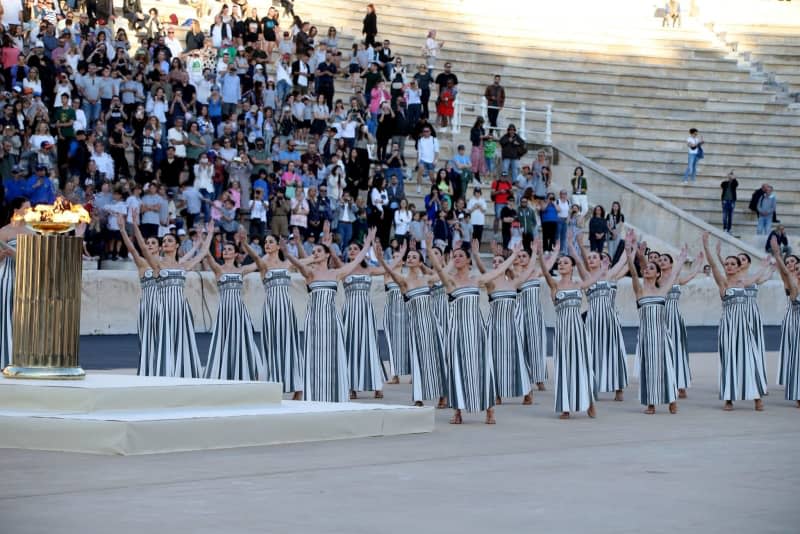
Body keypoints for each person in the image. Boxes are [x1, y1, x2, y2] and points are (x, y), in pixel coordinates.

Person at [428, 238, 519, 425]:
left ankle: (489, 410)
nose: (457, 258)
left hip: (477, 330)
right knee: (457, 369)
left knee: (483, 368)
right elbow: (437, 273)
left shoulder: (476, 280)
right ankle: (458, 411)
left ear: (469, 260)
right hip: (457, 331)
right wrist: (430, 249)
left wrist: (514, 255)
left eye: (461, 255)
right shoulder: (450, 280)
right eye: (455, 256)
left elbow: (498, 271)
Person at [281, 228, 377, 402]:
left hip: (333, 320)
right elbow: (299, 264)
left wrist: (367, 243)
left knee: (334, 356)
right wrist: (288, 253)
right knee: (314, 356)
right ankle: (313, 394)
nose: (315, 254)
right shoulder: (310, 273)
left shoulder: (336, 273)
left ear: (327, 255)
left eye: (318, 251)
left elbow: (356, 262)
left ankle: (336, 393)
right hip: (315, 320)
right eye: (313, 251)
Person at [132, 220, 215, 377]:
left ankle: (181, 372)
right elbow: (143, 248)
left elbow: (203, 253)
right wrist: (134, 225)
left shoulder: (183, 266)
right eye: (164, 241)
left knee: (181, 341)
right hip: (163, 308)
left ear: (177, 245)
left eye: (170, 241)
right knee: (164, 341)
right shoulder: (157, 264)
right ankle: (163, 372)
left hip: (181, 309)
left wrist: (209, 234)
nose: (166, 243)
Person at [375, 244, 448, 408]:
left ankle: (443, 395)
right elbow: (391, 272)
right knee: (418, 360)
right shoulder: (403, 280)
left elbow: (444, 272)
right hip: (415, 326)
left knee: (437, 359)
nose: (410, 259)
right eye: (408, 257)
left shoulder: (427, 279)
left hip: (432, 323)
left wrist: (430, 250)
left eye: (414, 257)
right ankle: (419, 397)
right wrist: (380, 259)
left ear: (420, 262)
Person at [701, 232, 768, 411]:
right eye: (727, 264)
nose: (729, 266)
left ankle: (757, 397)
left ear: (739, 267)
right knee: (729, 360)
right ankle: (729, 398)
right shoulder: (723, 283)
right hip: (728, 327)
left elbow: (761, 275)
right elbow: (714, 266)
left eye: (733, 264)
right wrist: (707, 247)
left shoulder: (745, 282)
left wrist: (767, 265)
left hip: (744, 326)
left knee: (750, 359)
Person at [537, 241, 601, 419]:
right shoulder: (555, 285)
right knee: (564, 367)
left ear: (572, 266)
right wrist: (541, 256)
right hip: (563, 331)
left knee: (583, 365)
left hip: (578, 330)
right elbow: (544, 271)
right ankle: (566, 407)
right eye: (560, 263)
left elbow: (595, 277)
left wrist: (604, 267)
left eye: (565, 262)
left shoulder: (579, 284)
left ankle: (589, 402)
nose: (561, 264)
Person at [625, 233, 687, 414]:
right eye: (646, 268)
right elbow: (635, 273)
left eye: (651, 269)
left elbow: (674, 274)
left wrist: (681, 260)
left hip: (661, 334)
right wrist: (631, 256)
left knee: (666, 366)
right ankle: (651, 403)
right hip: (646, 335)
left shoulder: (663, 291)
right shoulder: (639, 291)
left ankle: (671, 398)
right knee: (648, 368)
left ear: (658, 273)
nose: (647, 270)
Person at [473, 242, 539, 405]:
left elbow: (529, 271)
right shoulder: (490, 283)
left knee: (518, 359)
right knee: (493, 359)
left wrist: (535, 253)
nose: (496, 264)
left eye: (499, 262)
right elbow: (484, 270)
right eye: (494, 262)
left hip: (511, 326)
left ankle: (526, 390)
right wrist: (476, 255)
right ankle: (496, 392)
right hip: (494, 326)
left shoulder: (513, 283)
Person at [243, 235, 304, 400]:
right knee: (272, 346)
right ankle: (273, 384)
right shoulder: (263, 264)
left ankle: (298, 388)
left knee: (291, 346)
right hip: (271, 310)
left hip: (287, 309)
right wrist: (244, 244)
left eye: (270, 242)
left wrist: (298, 244)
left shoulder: (287, 263)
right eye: (265, 242)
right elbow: (255, 258)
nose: (267, 244)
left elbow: (307, 260)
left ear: (278, 246)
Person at [571, 236, 630, 401]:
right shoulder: (587, 277)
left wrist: (628, 245)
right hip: (592, 320)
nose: (590, 260)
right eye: (589, 258)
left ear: (601, 260)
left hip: (609, 319)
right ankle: (592, 386)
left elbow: (622, 261)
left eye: (594, 257)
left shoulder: (609, 275)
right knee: (592, 352)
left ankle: (618, 388)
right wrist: (572, 244)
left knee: (613, 352)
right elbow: (577, 259)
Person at [203, 242, 265, 381]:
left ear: (236, 254)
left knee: (243, 340)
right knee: (223, 340)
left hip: (239, 311)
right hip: (224, 311)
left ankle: (246, 372)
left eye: (229, 249)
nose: (226, 251)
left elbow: (259, 262)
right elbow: (208, 256)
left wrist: (246, 244)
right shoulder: (218, 269)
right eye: (224, 249)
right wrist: (206, 238)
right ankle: (223, 373)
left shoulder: (241, 270)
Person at [658, 250, 705, 398]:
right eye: (660, 260)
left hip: (676, 317)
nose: (661, 261)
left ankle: (680, 383)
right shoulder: (657, 279)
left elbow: (692, 275)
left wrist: (698, 263)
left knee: (678, 350)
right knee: (663, 350)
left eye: (665, 259)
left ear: (671, 263)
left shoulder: (676, 277)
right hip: (662, 316)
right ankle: (663, 382)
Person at [514, 246, 558, 395]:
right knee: (521, 346)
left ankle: (539, 378)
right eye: (519, 256)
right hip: (519, 314)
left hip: (535, 314)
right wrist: (533, 253)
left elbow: (548, 265)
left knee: (537, 346)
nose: (521, 259)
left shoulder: (535, 272)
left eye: (524, 256)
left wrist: (556, 252)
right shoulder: (514, 274)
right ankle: (522, 378)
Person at [0, 198, 35, 370]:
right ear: (16, 210)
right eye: (26, 208)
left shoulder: (32, 232)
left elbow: (37, 259)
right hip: (8, 277)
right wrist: (5, 254)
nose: (30, 210)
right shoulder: (4, 231)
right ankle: (6, 359)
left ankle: (24, 358)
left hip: (27, 280)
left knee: (26, 318)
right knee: (8, 317)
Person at [769, 236, 800, 408]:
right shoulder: (791, 283)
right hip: (793, 317)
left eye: (793, 262)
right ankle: (794, 383)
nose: (791, 265)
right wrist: (777, 255)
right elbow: (785, 274)